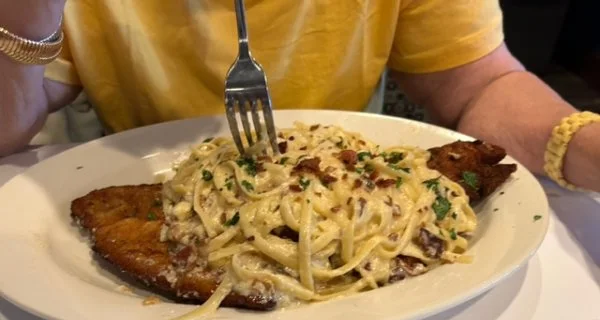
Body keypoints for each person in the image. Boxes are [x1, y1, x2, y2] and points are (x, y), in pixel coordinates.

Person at [1, 0, 598, 192]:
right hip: (140, 213)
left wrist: (583, 145)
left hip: (352, 198)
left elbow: (482, 85)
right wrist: (22, 16)